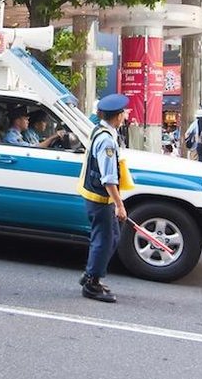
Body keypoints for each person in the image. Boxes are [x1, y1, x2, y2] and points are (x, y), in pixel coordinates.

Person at [78, 93, 129, 303]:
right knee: (104, 241)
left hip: (96, 196)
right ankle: (92, 283)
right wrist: (120, 205)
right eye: (124, 113)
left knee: (111, 237)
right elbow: (109, 178)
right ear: (117, 117)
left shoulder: (99, 130)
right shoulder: (107, 141)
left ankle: (92, 273)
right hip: (101, 199)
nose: (125, 116)